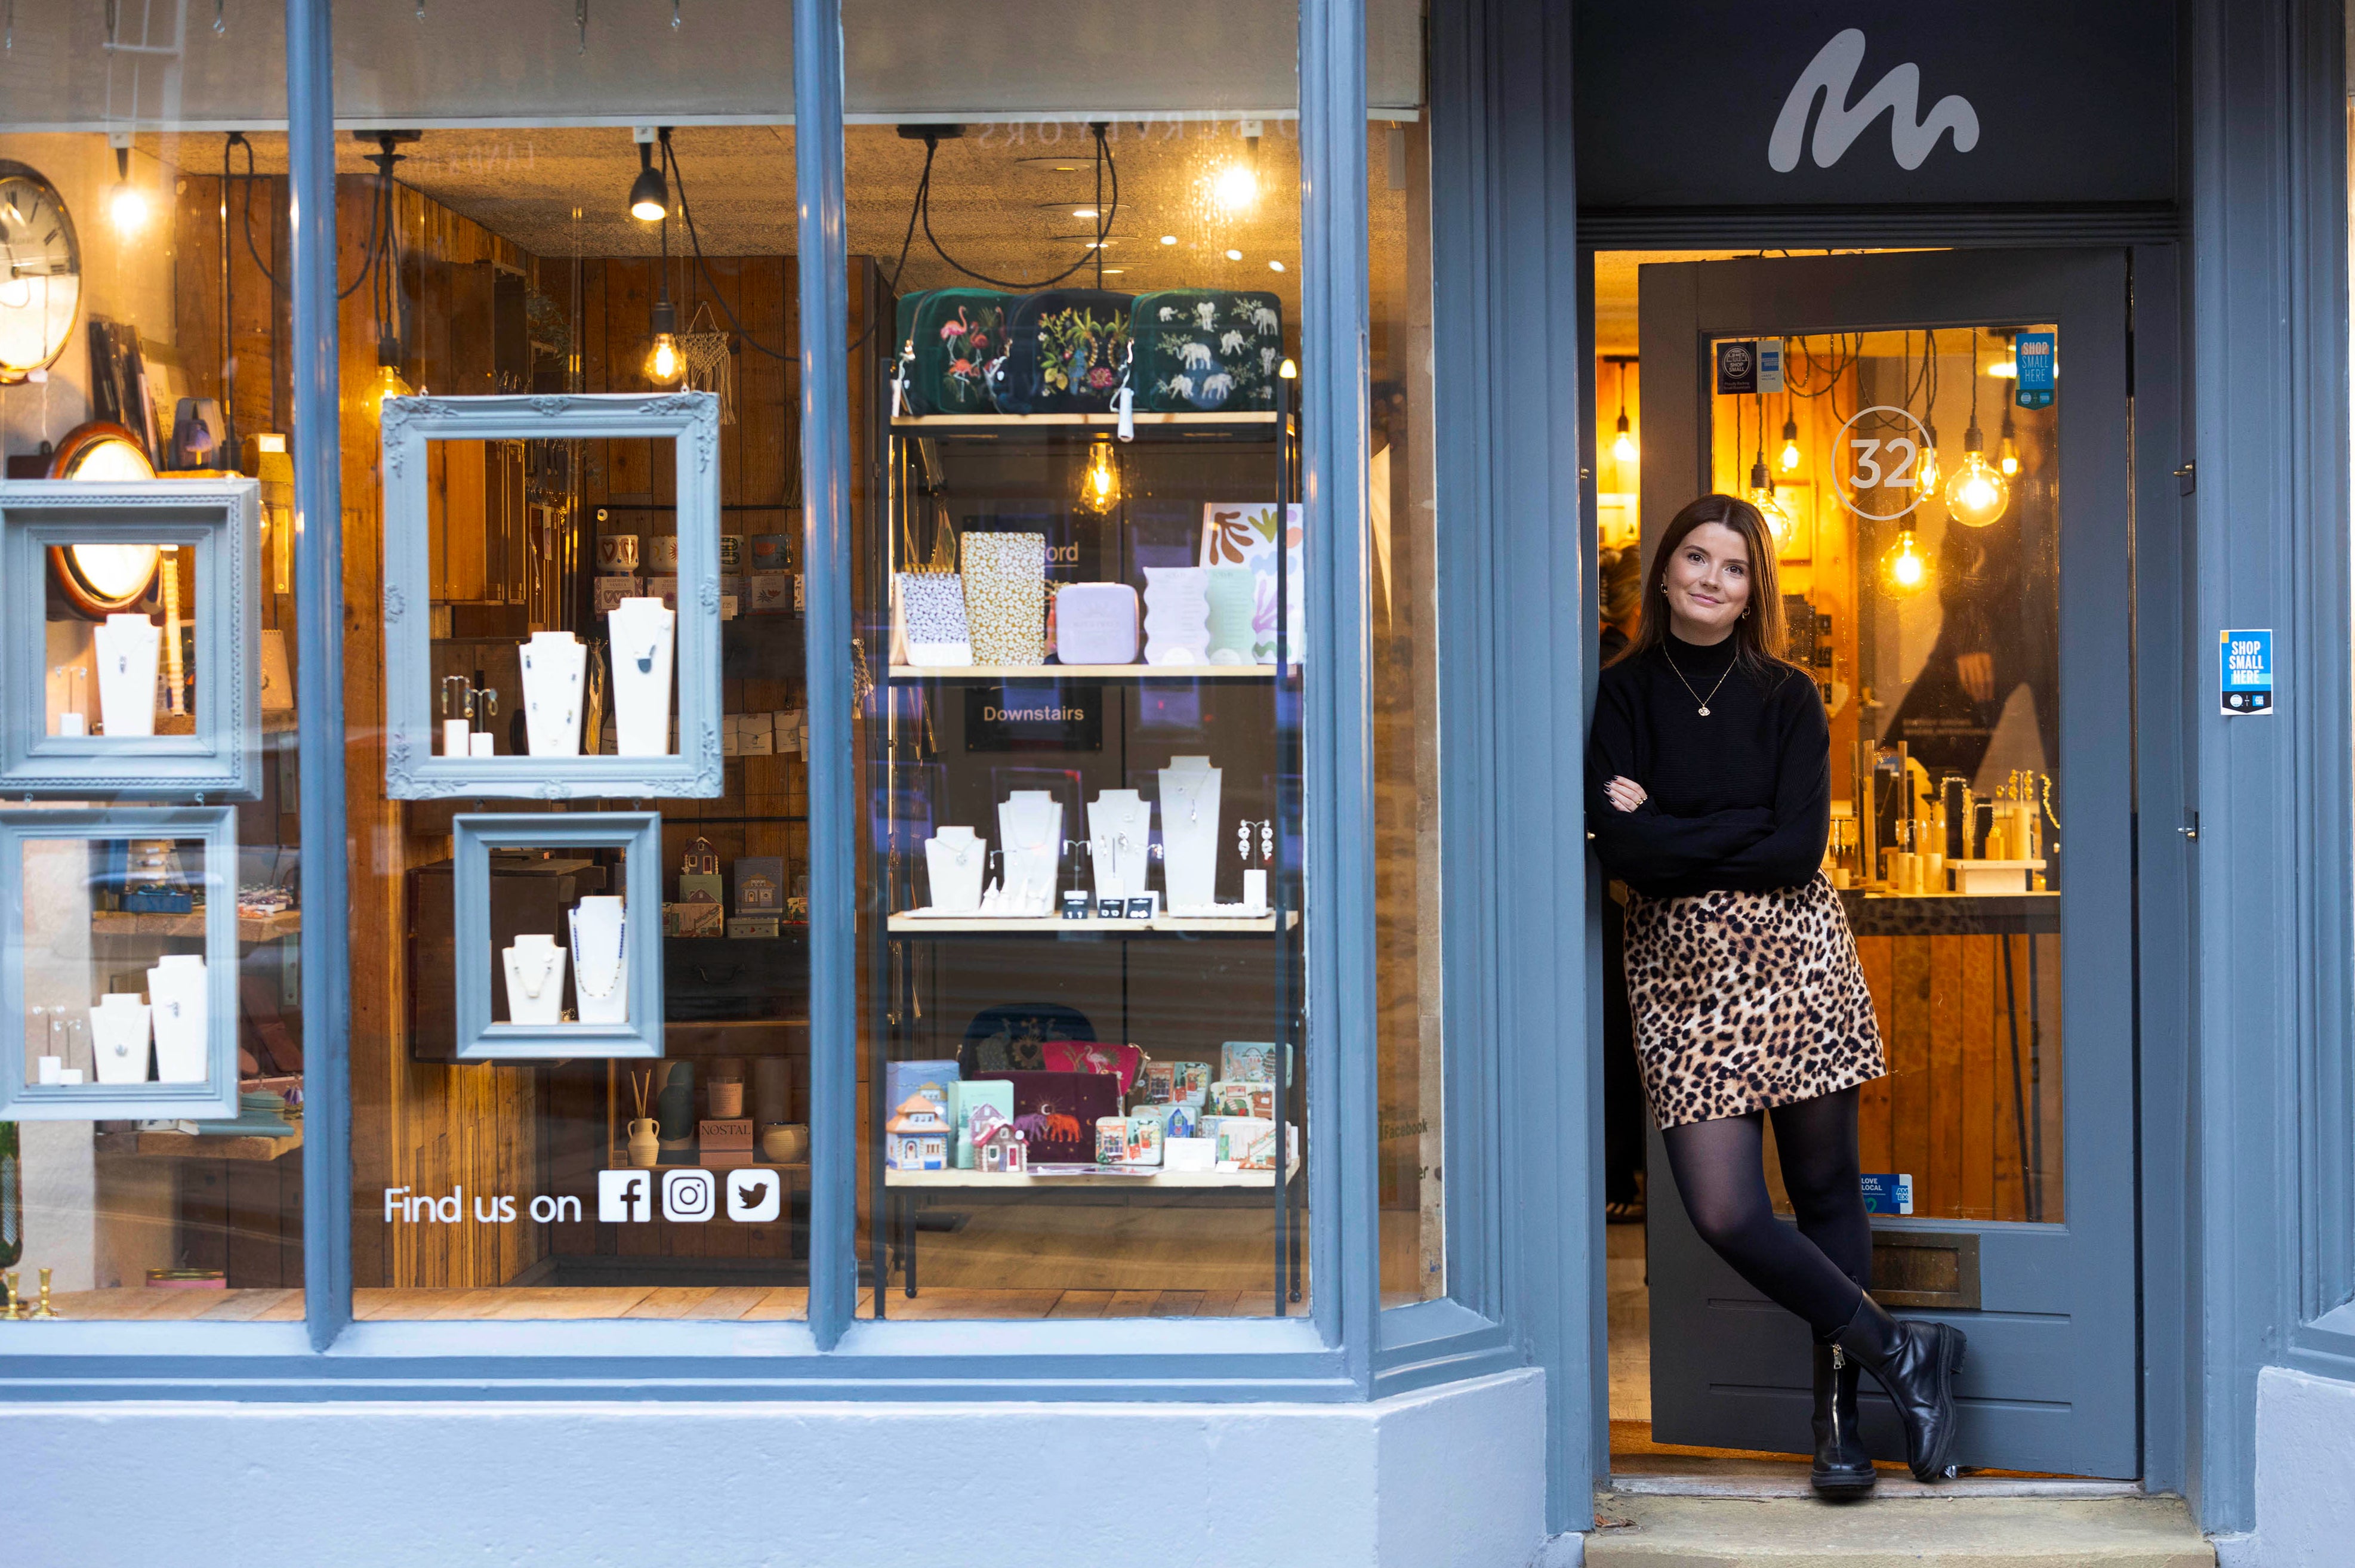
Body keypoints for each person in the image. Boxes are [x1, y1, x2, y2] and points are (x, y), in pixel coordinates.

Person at [1586, 495, 1968, 1500]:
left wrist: (1672, 823)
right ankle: (1901, 1349)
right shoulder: (1619, 695)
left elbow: (1799, 849)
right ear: (1664, 569)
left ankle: (1836, 1418)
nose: (1713, 580)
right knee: (1725, 1207)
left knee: (1828, 1188)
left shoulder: (1789, 695)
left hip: (1797, 959)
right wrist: (1722, 829)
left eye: (1736, 567)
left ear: (1757, 586)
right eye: (1697, 559)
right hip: (1681, 972)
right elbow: (1622, 852)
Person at [1596, 546, 1647, 1223]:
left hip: (1615, 887)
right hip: (1616, 888)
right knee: (1615, 1036)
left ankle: (1621, 1178)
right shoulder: (1616, 674)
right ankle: (1619, 1176)